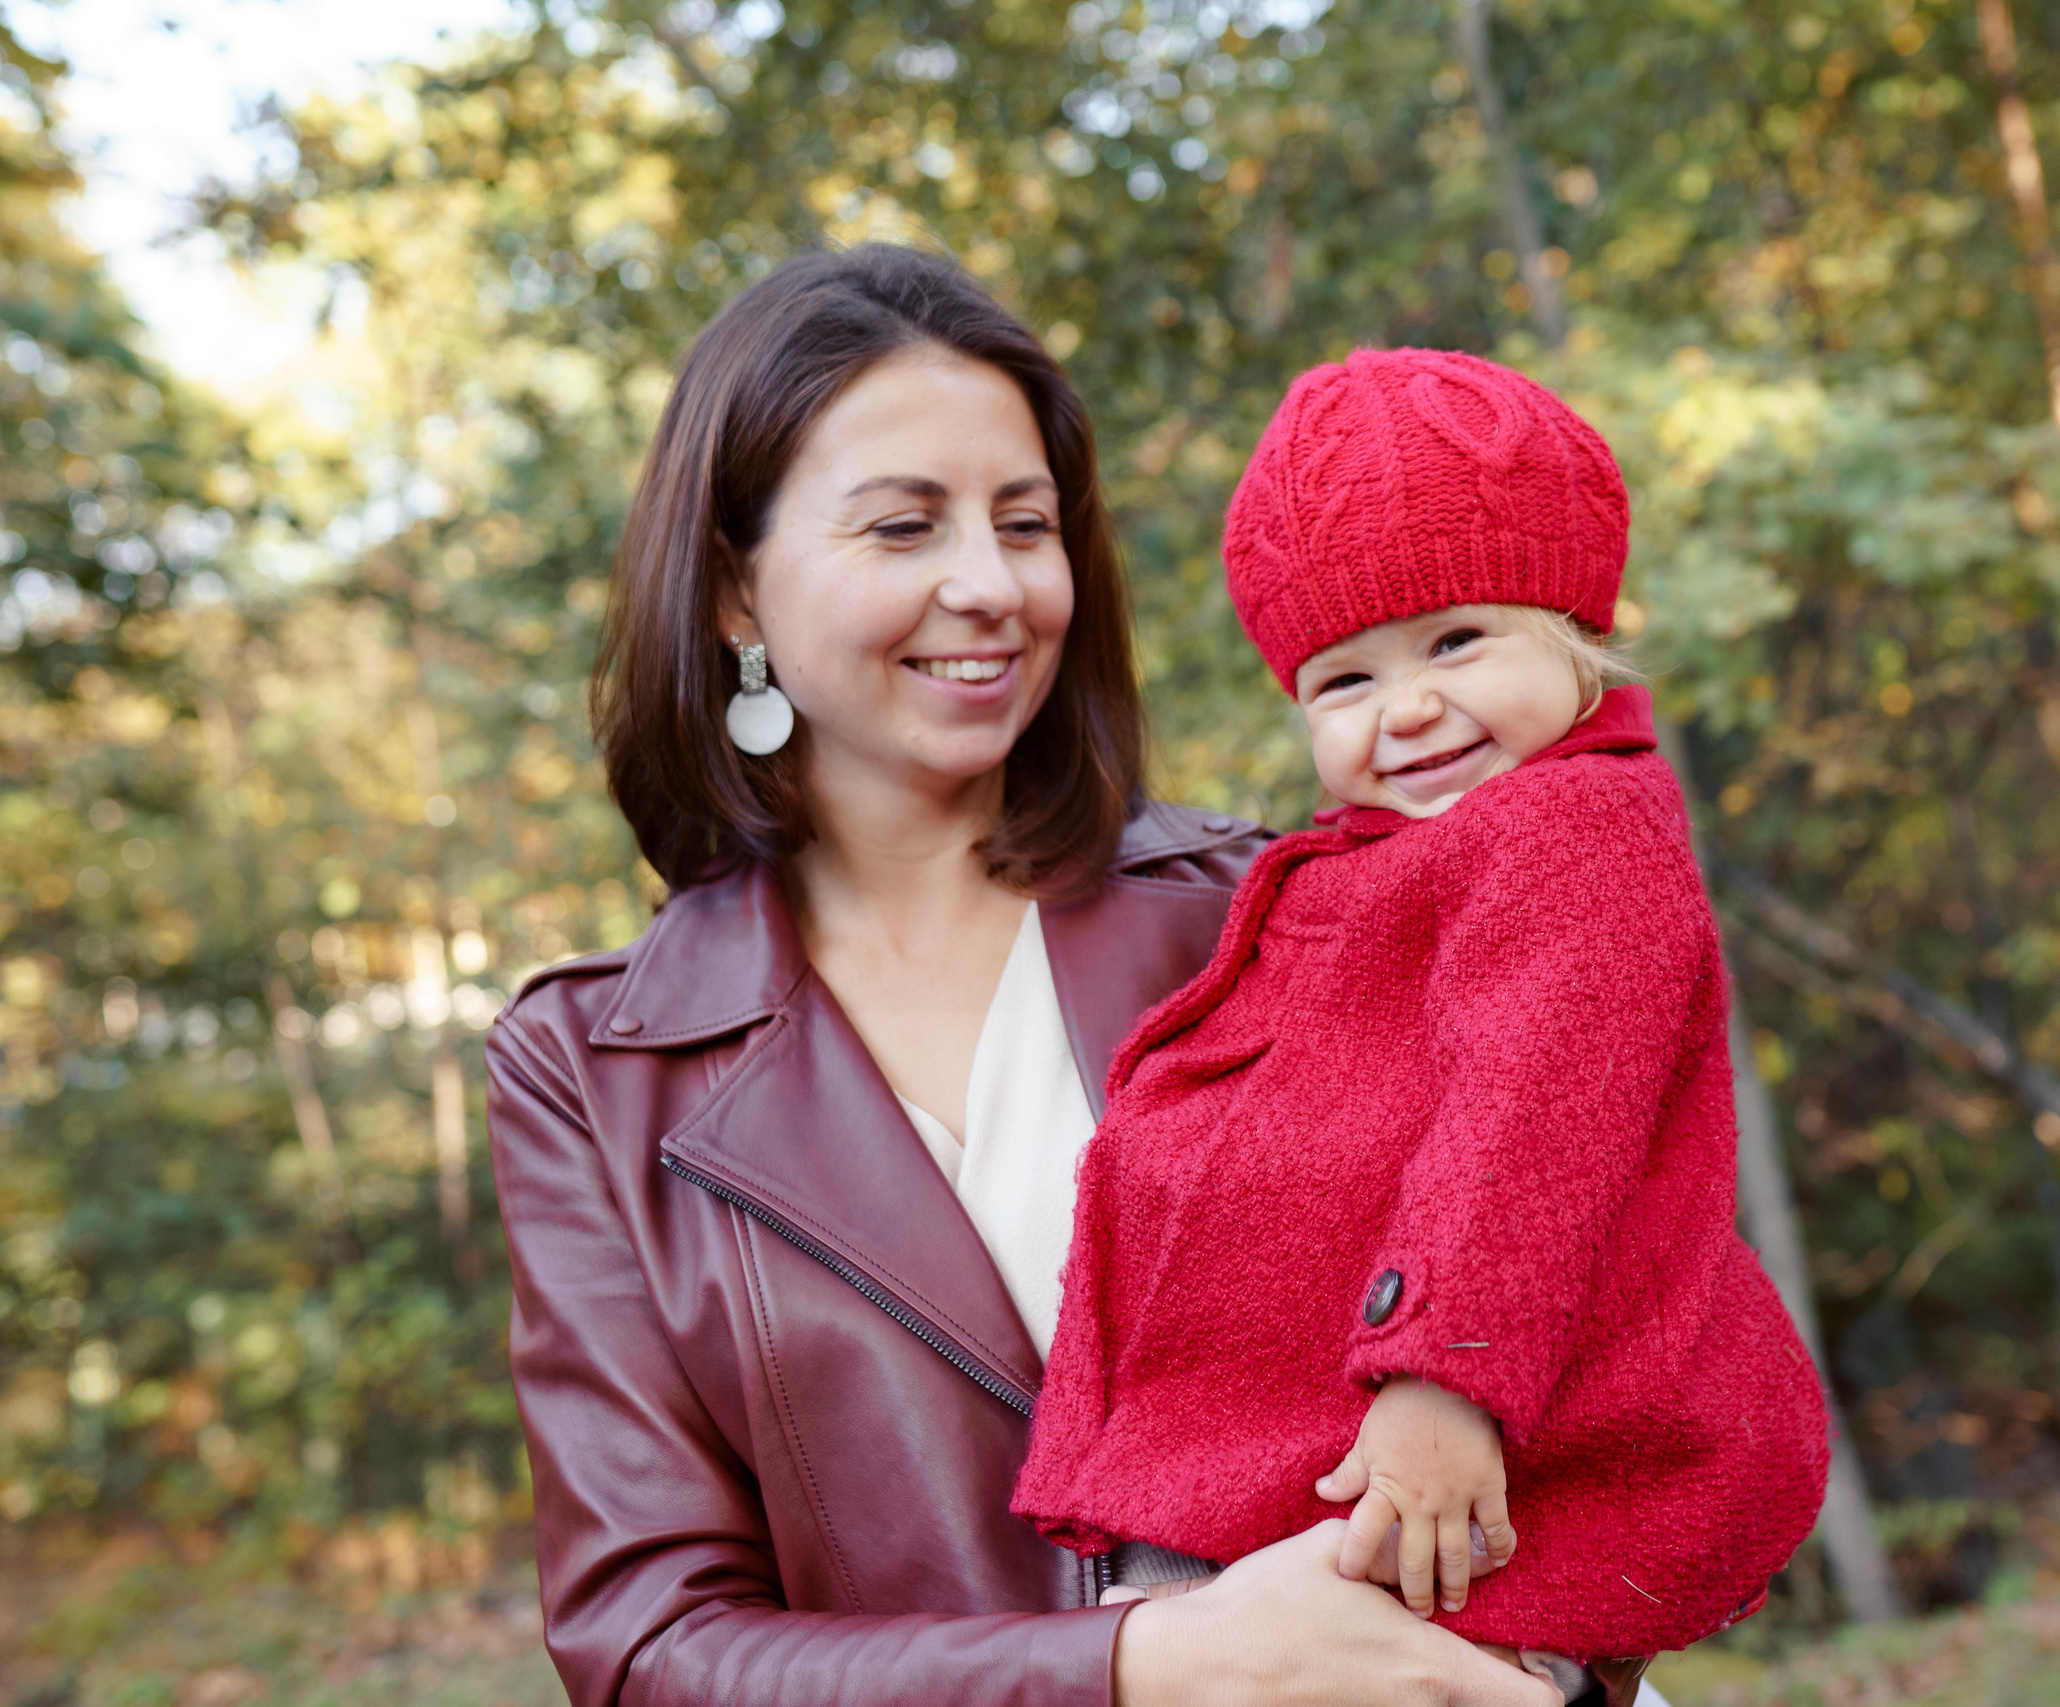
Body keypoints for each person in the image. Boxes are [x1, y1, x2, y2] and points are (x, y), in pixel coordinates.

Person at [483, 246, 1574, 1706]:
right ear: (738, 589)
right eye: (903, 528)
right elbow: (651, 1651)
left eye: (1025, 523)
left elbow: (1579, 1303)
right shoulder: (592, 1067)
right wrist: (1146, 1665)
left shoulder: (1269, 911)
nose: (990, 587)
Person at [1013, 349, 1831, 1696]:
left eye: (1457, 642)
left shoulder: (1575, 828)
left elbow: (1533, 1117)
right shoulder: (1364, 868)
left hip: (1459, 1459)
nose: (1408, 710)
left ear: (1569, 632)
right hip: (1321, 1490)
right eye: (1345, 681)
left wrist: (1445, 1379)